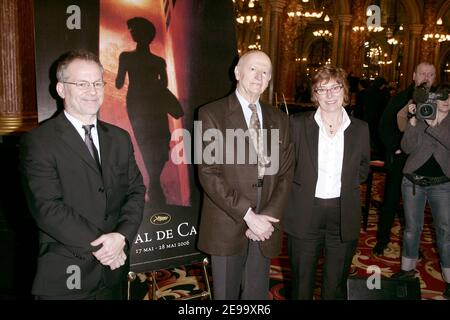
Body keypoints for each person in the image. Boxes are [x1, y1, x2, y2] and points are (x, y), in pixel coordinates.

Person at [20, 50, 146, 299]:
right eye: (82, 83)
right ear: (61, 89)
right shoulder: (38, 142)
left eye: (98, 83)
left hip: (114, 272)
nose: (92, 91)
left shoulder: (120, 138)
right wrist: (106, 246)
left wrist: (122, 236)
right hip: (68, 274)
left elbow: (135, 191)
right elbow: (47, 208)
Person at [196, 50, 294, 300]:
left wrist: (267, 216)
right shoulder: (210, 114)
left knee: (256, 294)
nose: (259, 76)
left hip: (266, 224)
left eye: (265, 72)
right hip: (228, 220)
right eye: (253, 69)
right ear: (237, 73)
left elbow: (285, 172)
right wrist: (249, 216)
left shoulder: (279, 119)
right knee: (226, 296)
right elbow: (209, 173)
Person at [284, 65, 370, 300]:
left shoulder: (361, 129)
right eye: (322, 89)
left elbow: (363, 169)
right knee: (302, 283)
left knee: (335, 285)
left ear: (345, 92)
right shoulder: (298, 124)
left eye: (335, 87)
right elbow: (286, 167)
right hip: (305, 212)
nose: (330, 94)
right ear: (314, 95)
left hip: (343, 214)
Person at [116, 17, 183, 206]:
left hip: (150, 103)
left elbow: (163, 84)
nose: (133, 32)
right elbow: (120, 83)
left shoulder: (156, 60)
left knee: (161, 142)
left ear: (145, 33)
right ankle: (154, 186)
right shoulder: (127, 57)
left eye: (135, 29)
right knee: (145, 142)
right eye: (132, 29)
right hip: (139, 104)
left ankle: (154, 184)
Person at [391, 84, 450, 299]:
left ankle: (449, 278)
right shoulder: (424, 112)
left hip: (442, 184)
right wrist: (414, 121)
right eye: (443, 97)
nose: (447, 101)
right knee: (411, 229)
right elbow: (407, 147)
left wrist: (434, 125)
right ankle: (407, 270)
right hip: (413, 182)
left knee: (445, 232)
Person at [373, 62, 436, 256]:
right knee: (391, 202)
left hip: (425, 162)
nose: (426, 78)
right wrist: (397, 147)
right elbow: (384, 126)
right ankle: (382, 241)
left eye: (430, 75)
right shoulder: (400, 98)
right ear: (414, 76)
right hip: (401, 160)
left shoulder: (439, 100)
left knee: (420, 209)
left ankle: (414, 247)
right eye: (422, 74)